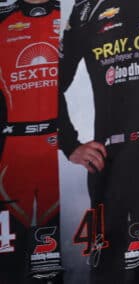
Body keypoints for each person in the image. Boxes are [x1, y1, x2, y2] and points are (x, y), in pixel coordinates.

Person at [58, 0, 139, 283]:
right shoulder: (85, 9)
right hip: (110, 159)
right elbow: (51, 83)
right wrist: (70, 144)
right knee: (107, 267)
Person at [0, 0, 62, 282]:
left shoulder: (71, 15)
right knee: (12, 247)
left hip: (59, 148)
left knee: (58, 246)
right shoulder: (4, 18)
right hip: (15, 145)